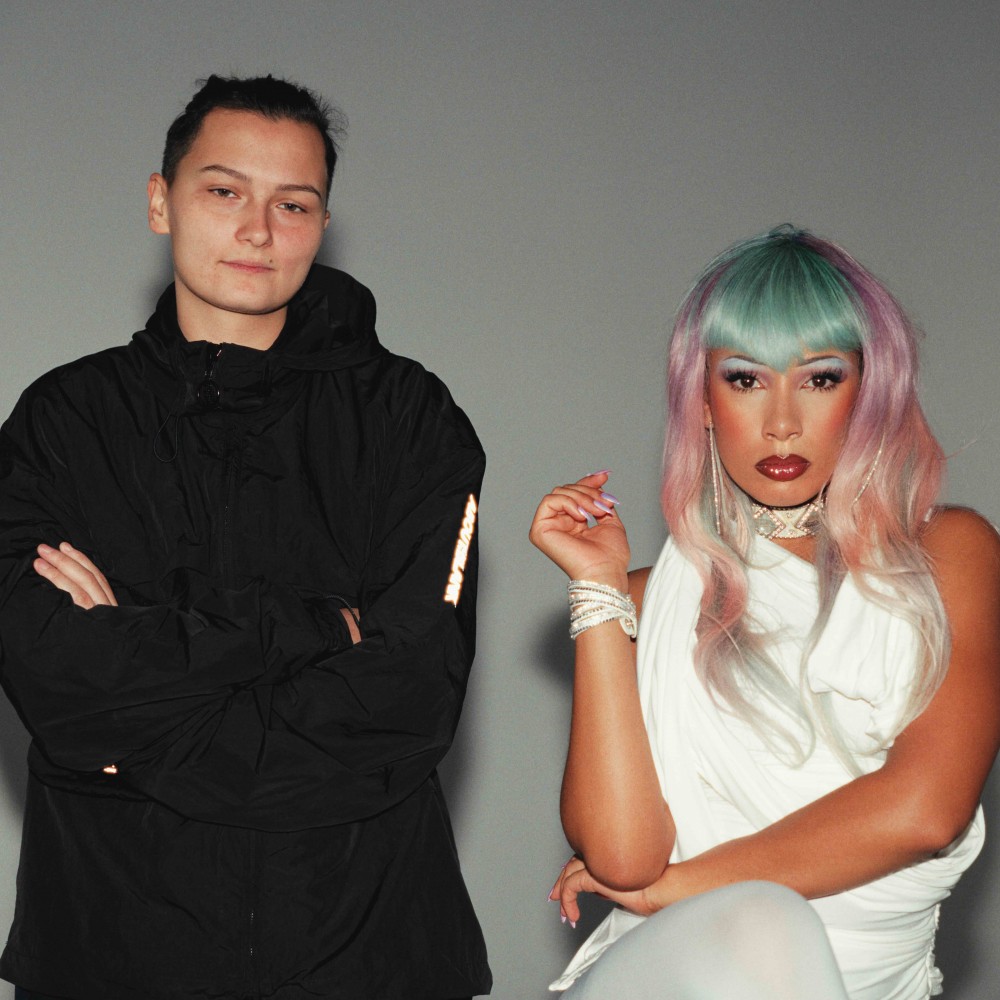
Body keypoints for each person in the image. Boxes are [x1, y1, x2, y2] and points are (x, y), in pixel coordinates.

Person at [0, 74, 491, 1000]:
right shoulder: (63, 421)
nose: (259, 230)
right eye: (224, 190)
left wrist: (139, 696)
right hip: (110, 951)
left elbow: (408, 698)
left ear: (324, 222)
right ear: (161, 201)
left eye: (292, 204)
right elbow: (59, 683)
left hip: (368, 956)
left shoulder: (412, 420)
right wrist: (319, 629)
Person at [530, 226, 1000, 1000]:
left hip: (869, 979)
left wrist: (675, 889)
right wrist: (598, 588)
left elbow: (927, 809)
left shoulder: (953, 554)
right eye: (746, 379)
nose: (782, 421)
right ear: (704, 401)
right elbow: (621, 858)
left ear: (867, 392)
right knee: (764, 925)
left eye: (820, 379)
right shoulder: (650, 597)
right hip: (677, 974)